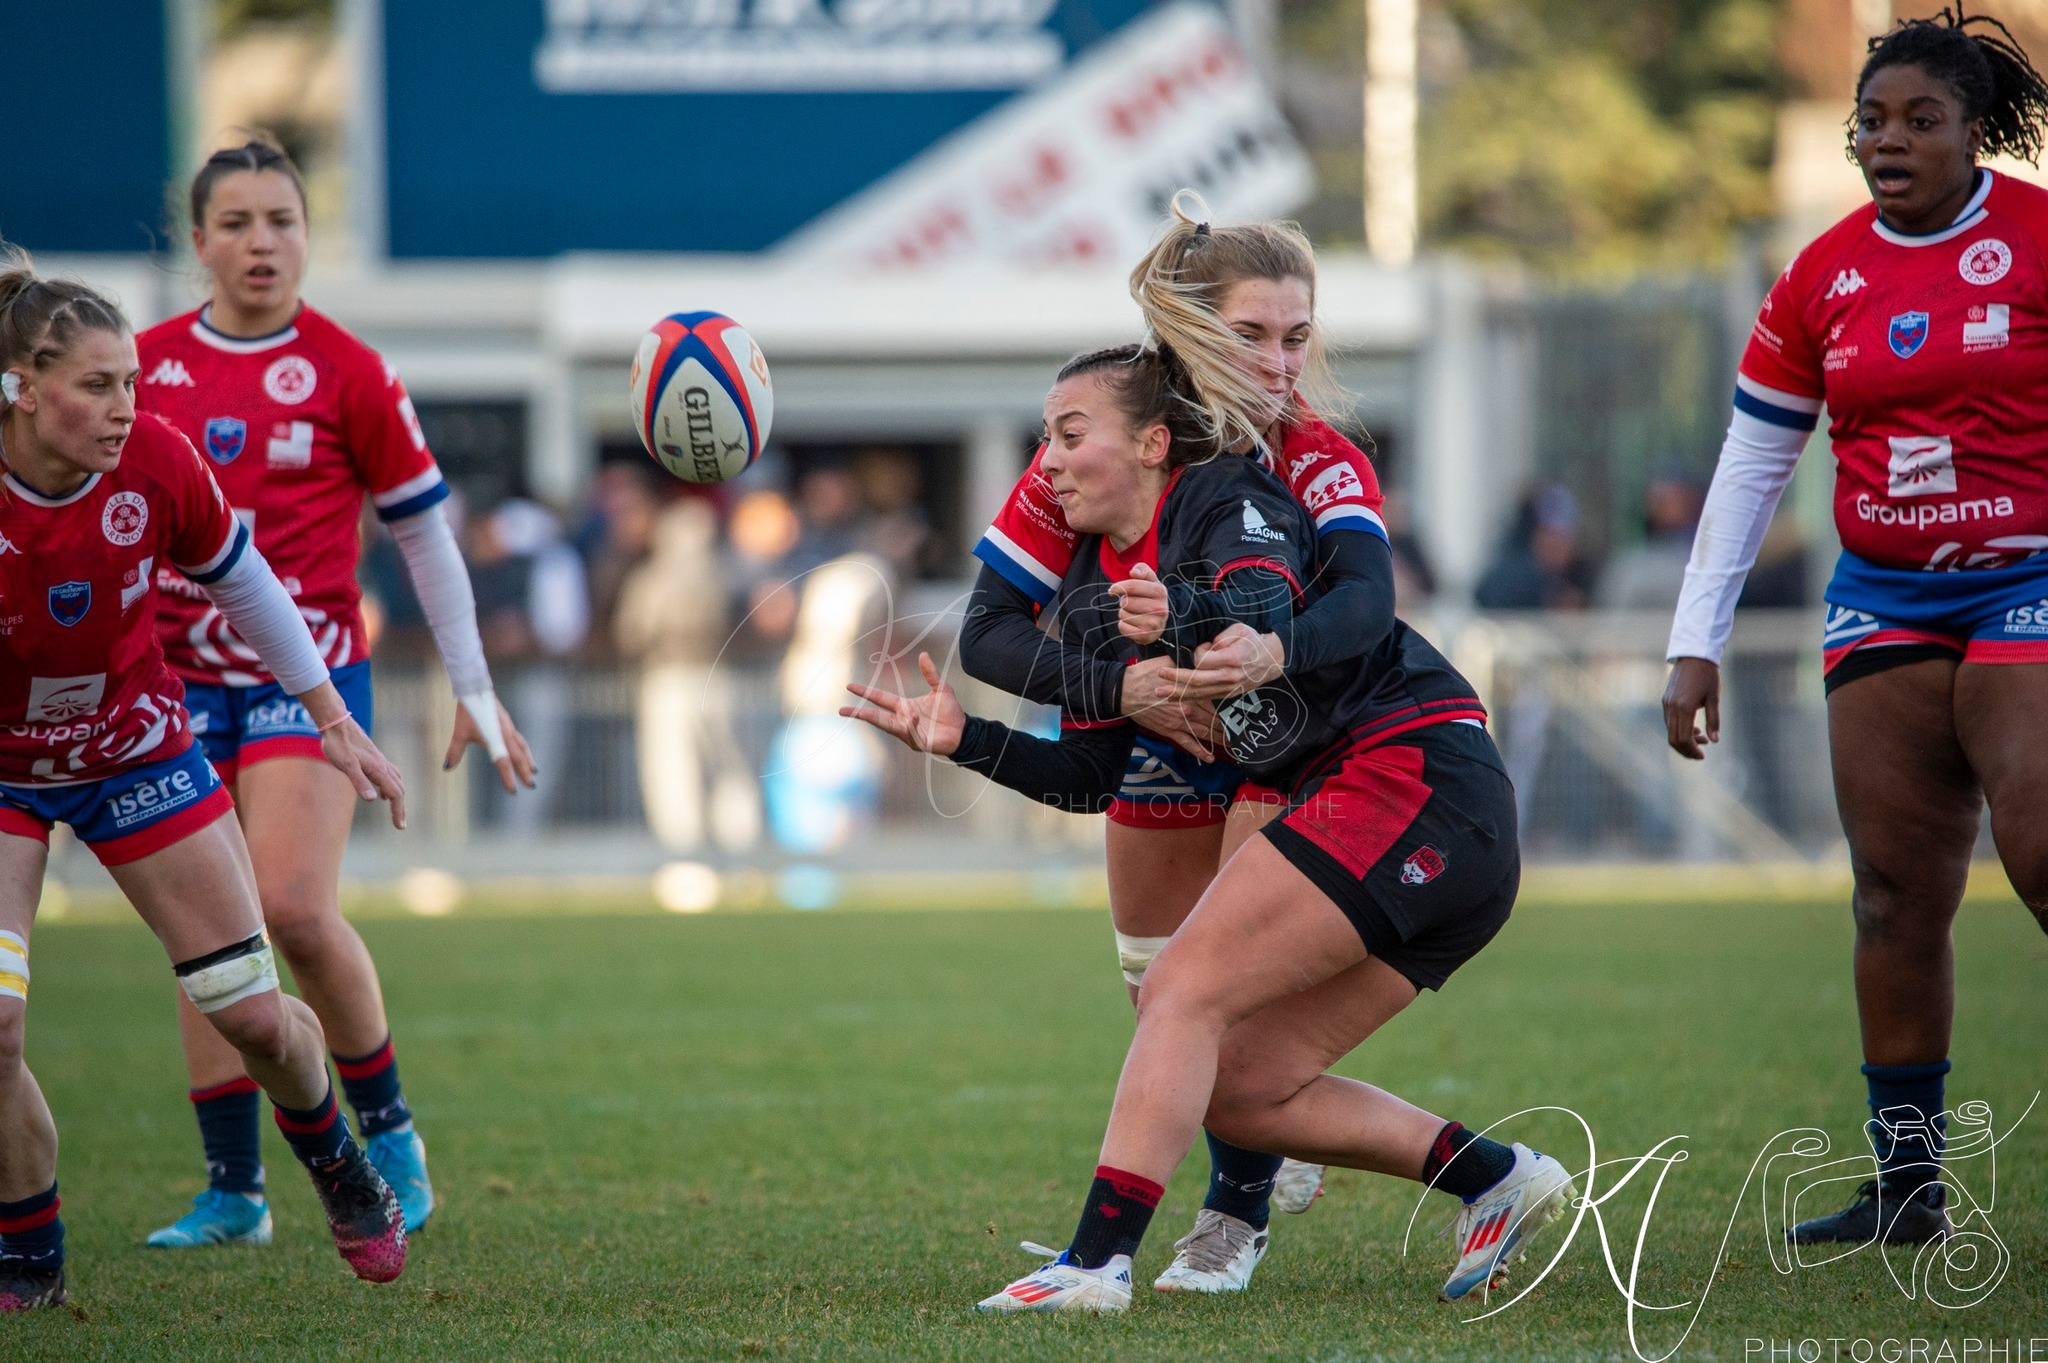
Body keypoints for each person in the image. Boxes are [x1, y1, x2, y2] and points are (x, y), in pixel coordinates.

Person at [846, 345, 1575, 1312]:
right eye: (1044, 438)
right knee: (1242, 1087)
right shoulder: (1097, 594)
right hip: (1395, 815)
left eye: (1070, 435)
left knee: (1180, 988)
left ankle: (1097, 1262)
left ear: (1154, 443)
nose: (1046, 461)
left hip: (1416, 778)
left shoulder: (1226, 495)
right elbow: (1088, 778)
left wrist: (1182, 611)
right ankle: (1498, 1176)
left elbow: (1262, 598)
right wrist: (965, 738)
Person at [957, 197, 1395, 1291]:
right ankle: (1262, 1150)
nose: (1280, 362)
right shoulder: (1099, 438)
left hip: (1279, 740)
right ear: (1190, 327)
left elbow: (1367, 605)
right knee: (1157, 994)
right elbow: (987, 632)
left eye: (1297, 336)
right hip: (1148, 739)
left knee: (1217, 997)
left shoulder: (1316, 456)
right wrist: (1128, 689)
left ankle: (1230, 1216)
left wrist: (1263, 653)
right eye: (1251, 333)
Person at [1663, 9, 2048, 1246]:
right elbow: (1750, 464)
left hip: (2027, 578)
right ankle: (1905, 1190)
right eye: (1870, 120)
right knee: (1889, 894)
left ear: (1973, 130)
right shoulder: (1818, 277)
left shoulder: (2036, 239)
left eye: (1918, 119)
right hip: (1882, 594)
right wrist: (1693, 639)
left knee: (2040, 850)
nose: (1888, 140)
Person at [133, 137, 535, 1249]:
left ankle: (391, 1133)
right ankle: (234, 1190)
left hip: (306, 681)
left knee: (295, 910)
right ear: (199, 240)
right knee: (208, 936)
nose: (262, 243)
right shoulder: (143, 367)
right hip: (170, 682)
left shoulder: (349, 370)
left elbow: (425, 534)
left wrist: (471, 684)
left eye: (283, 221)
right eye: (238, 223)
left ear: (309, 236)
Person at [0, 257, 413, 1307]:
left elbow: (247, 583)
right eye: (97, 385)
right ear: (22, 387)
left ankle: (338, 1163)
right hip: (4, 772)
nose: (124, 408)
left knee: (255, 1016)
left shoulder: (154, 458)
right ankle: (30, 1257)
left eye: (132, 383)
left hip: (135, 750)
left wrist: (334, 722)